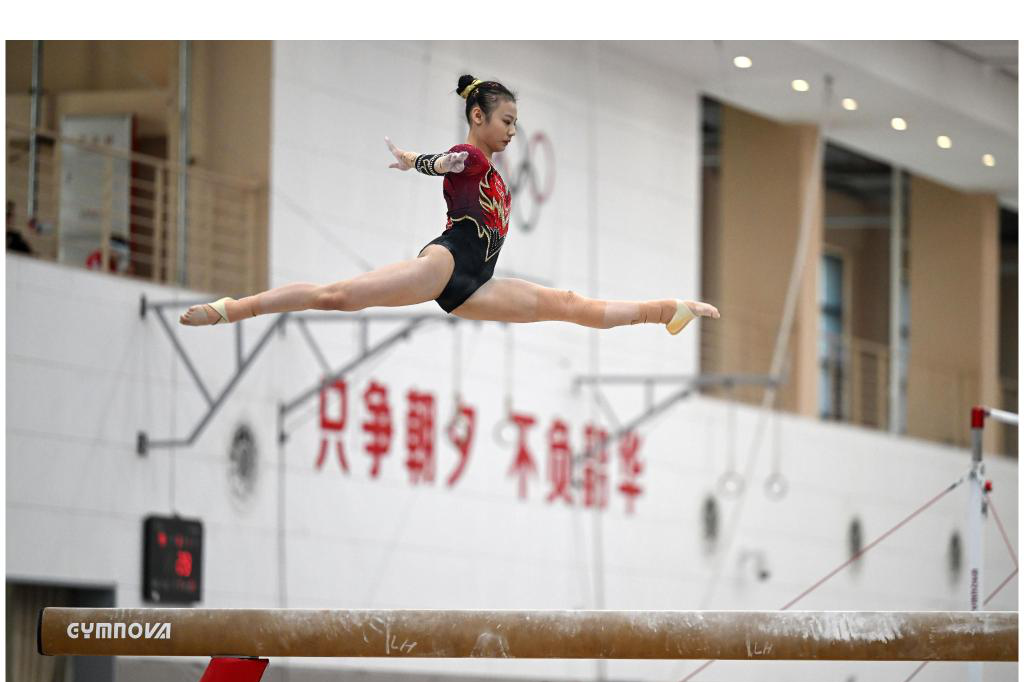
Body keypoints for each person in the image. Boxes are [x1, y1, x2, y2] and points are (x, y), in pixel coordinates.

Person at [180, 74, 719, 333]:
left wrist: (418, 160)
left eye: (516, 124)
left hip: (477, 285)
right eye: (506, 122)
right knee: (340, 296)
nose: (512, 132)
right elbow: (452, 161)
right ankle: (237, 307)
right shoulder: (471, 154)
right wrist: (426, 162)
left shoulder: (489, 169)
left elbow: (443, 162)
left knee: (569, 304)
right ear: (479, 116)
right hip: (446, 265)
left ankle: (666, 310)